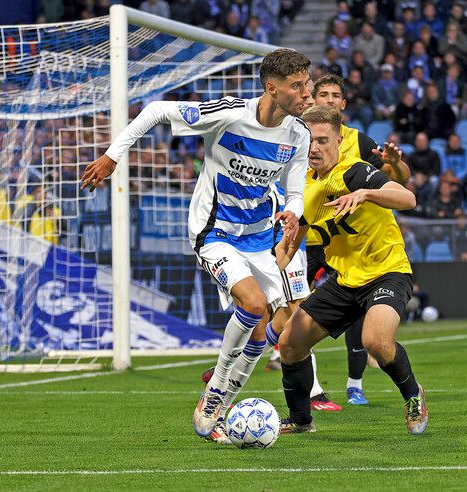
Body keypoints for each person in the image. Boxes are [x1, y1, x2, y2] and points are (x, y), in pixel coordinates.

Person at [80, 49, 312, 442]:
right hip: (214, 231)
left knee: (274, 326)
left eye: (307, 83)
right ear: (272, 88)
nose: (308, 93)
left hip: (259, 235)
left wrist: (292, 211)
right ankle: (214, 394)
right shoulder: (230, 113)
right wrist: (112, 156)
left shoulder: (298, 134)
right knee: (254, 305)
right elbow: (155, 110)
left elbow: (295, 189)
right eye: (298, 86)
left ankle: (219, 408)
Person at [275, 104, 428, 435]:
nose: (314, 148)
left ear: (338, 140)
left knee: (375, 341)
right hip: (345, 281)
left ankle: (413, 395)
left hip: (387, 271)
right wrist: (275, 255)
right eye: (308, 141)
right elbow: (290, 246)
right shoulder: (305, 187)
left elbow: (407, 199)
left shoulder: (354, 171)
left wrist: (366, 194)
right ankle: (301, 420)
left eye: (322, 140)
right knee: (290, 342)